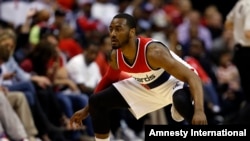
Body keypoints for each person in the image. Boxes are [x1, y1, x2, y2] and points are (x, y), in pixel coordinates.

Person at [70, 13, 207, 141]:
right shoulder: (114, 56)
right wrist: (88, 109)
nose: (112, 34)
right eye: (111, 29)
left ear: (131, 32)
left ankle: (179, 106)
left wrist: (200, 111)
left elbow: (193, 78)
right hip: (147, 86)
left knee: (182, 103)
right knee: (96, 101)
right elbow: (109, 79)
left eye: (118, 29)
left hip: (174, 82)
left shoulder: (153, 52)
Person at [224, 0, 250, 123]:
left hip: (240, 52)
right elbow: (248, 32)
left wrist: (237, 35)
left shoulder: (241, 3)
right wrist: (242, 34)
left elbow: (228, 23)